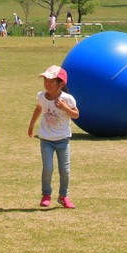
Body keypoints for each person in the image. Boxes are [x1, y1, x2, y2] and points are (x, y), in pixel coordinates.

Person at [28, 65, 79, 209]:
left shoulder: (67, 99)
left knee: (65, 170)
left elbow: (76, 114)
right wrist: (31, 125)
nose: (47, 84)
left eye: (51, 81)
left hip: (63, 140)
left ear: (60, 84)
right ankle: (46, 194)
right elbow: (38, 108)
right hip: (46, 140)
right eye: (45, 80)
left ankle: (63, 196)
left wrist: (65, 108)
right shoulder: (41, 96)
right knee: (48, 168)